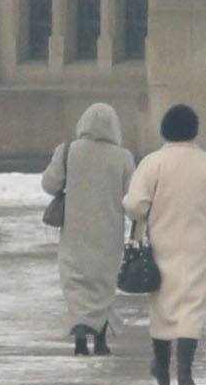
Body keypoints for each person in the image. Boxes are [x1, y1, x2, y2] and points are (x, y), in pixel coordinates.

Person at [122, 103, 206, 385]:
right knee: (193, 305)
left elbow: (135, 205)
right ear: (195, 130)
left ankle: (161, 365)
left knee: (162, 304)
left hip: (162, 244)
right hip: (198, 245)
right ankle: (185, 371)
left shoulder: (152, 163)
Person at [41, 102, 137, 356]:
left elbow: (50, 184)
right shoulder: (123, 157)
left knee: (76, 283)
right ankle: (102, 340)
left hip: (75, 230)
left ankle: (80, 338)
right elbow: (132, 197)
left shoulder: (68, 151)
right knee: (102, 285)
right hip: (109, 232)